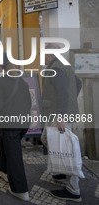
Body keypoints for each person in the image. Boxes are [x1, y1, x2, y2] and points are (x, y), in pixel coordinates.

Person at [41, 43, 83, 202]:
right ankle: (64, 173)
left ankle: (74, 189)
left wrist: (60, 115)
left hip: (59, 114)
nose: (43, 56)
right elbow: (77, 84)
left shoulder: (56, 69)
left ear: (50, 54)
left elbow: (63, 93)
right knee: (47, 139)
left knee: (68, 149)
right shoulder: (65, 66)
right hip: (62, 112)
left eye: (45, 53)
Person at [0, 54, 31, 201]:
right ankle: (2, 169)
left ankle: (20, 190)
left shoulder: (0, 83)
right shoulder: (23, 82)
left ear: (0, 66)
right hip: (24, 123)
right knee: (4, 143)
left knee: (14, 155)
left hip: (10, 125)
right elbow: (29, 103)